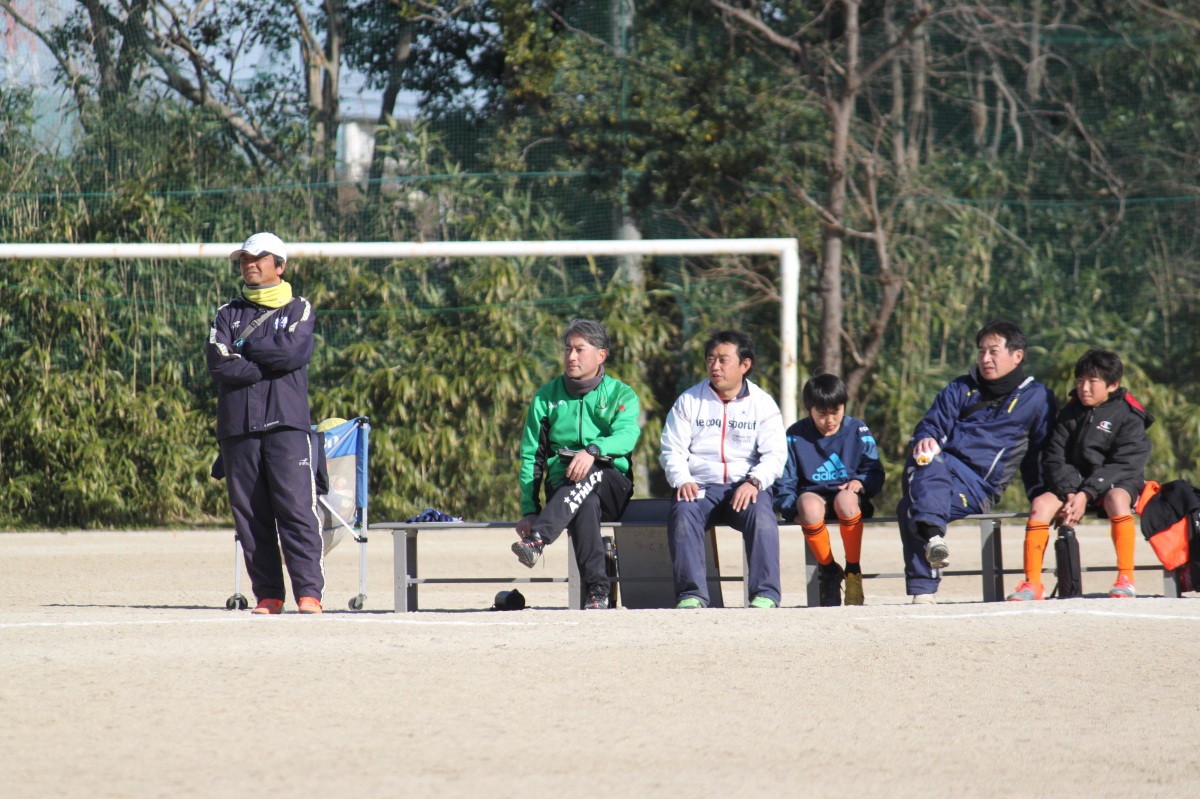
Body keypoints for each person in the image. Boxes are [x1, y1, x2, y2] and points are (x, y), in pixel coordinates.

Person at [206, 232, 324, 615]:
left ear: (280, 265)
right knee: (251, 517)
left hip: (286, 424)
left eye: (258, 258)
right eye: (244, 259)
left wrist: (245, 348)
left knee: (296, 510)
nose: (249, 265)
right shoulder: (226, 313)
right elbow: (218, 363)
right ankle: (269, 596)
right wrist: (264, 361)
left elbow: (293, 352)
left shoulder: (299, 307)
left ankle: (309, 594)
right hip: (238, 428)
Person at [898, 321, 1056, 604]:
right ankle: (932, 544)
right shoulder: (960, 387)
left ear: (1017, 355)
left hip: (978, 487)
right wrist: (926, 438)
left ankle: (925, 581)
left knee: (910, 505)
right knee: (924, 460)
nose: (985, 358)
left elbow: (1040, 452)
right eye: (981, 351)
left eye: (993, 351)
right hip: (939, 469)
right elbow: (932, 424)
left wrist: (1045, 493)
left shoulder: (1038, 397)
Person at [511, 319, 642, 610]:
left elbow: (627, 436)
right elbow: (532, 456)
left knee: (591, 472)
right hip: (565, 488)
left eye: (579, 349)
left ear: (600, 355)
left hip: (612, 486)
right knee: (585, 502)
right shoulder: (546, 397)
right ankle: (597, 593)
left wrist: (593, 451)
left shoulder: (621, 393)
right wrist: (530, 509)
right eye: (567, 349)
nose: (571, 356)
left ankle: (539, 539)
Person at [1008, 349, 1153, 601]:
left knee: (1117, 499)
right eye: (1079, 381)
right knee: (1040, 503)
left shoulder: (1129, 415)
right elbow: (1055, 457)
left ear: (1113, 385)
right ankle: (1033, 584)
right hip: (1074, 487)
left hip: (1115, 482)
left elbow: (1125, 463)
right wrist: (1069, 492)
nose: (1083, 388)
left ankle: (1126, 579)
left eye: (1092, 381)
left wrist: (1087, 493)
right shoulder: (1069, 412)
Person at [660, 330, 788, 609]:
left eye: (723, 360)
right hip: (699, 486)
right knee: (683, 513)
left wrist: (754, 481)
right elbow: (672, 450)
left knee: (762, 516)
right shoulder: (689, 401)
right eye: (710, 359)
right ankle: (691, 595)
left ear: (745, 364)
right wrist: (682, 479)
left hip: (745, 487)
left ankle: (765, 594)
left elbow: (776, 455)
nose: (715, 366)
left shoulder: (763, 403)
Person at [773, 374, 884, 606]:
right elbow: (785, 480)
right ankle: (829, 571)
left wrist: (861, 482)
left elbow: (874, 471)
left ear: (844, 405)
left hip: (848, 501)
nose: (830, 420)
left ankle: (853, 570)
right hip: (813, 498)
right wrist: (791, 510)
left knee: (846, 500)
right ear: (809, 409)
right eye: (822, 414)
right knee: (808, 506)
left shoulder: (859, 430)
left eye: (836, 411)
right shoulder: (794, 435)